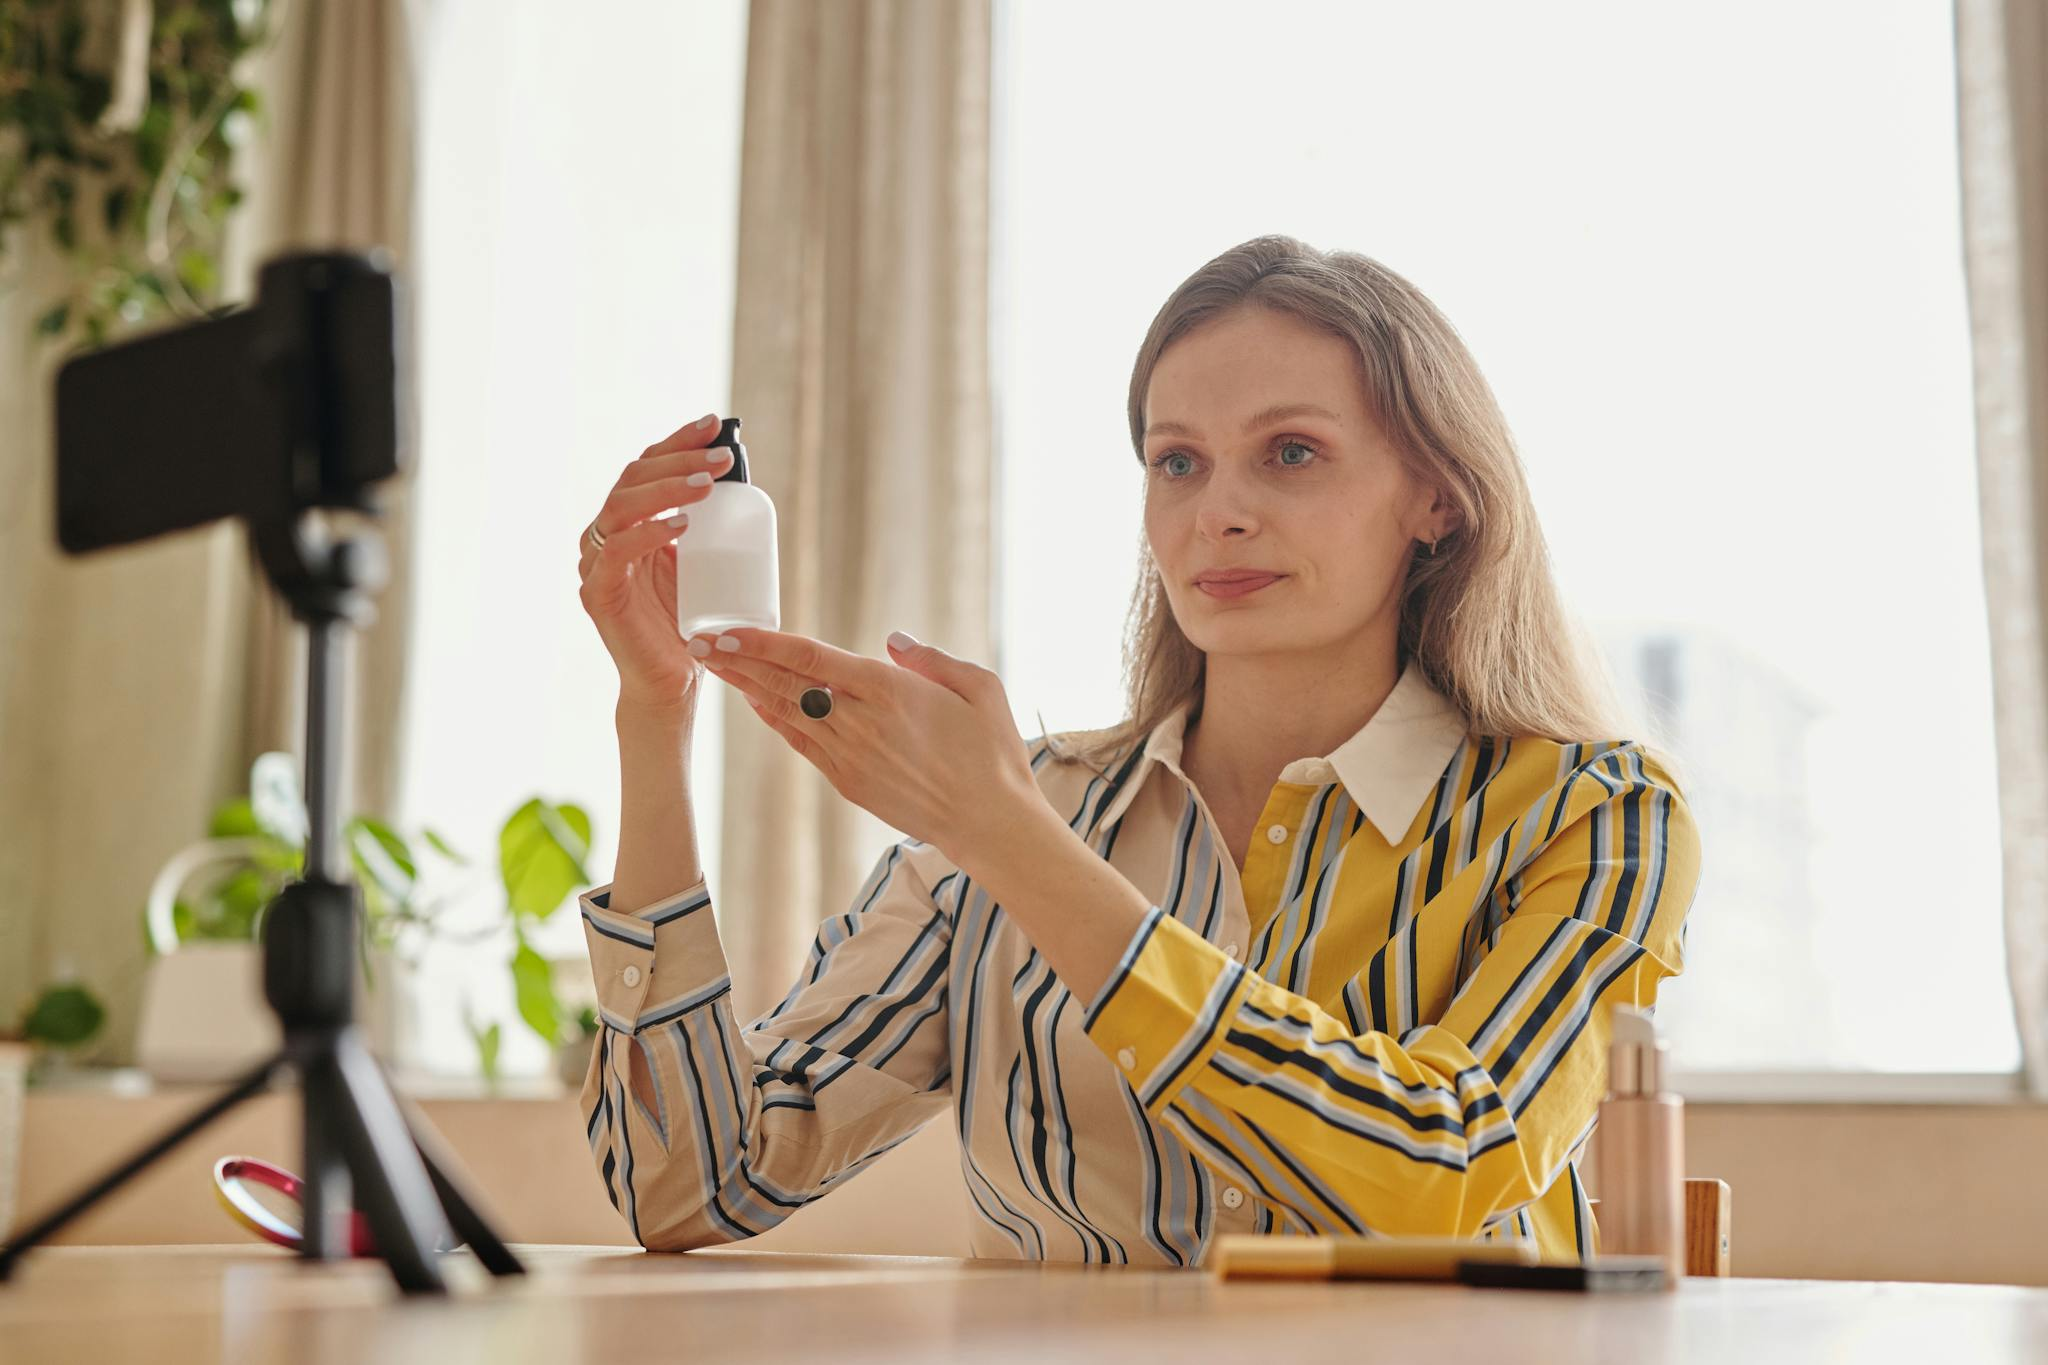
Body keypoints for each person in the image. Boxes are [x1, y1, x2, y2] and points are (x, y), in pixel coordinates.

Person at [571, 234, 1700, 1264]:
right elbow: (690, 1189)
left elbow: (1438, 1173)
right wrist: (653, 713)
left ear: (1437, 500)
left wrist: (1013, 845)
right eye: (1177, 462)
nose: (1218, 512)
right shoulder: (1020, 808)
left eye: (1291, 453)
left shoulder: (1596, 817)